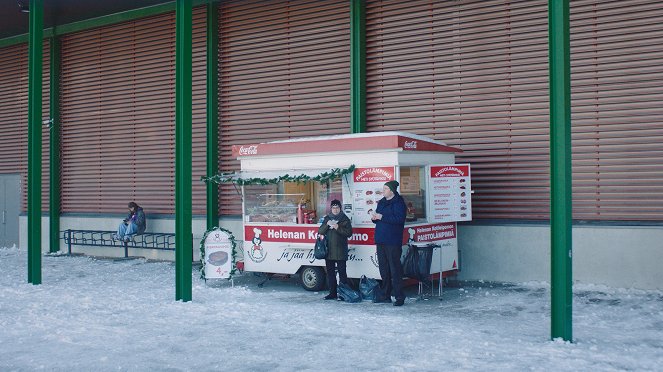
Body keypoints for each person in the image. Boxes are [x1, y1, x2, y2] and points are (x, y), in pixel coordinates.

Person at [371, 180, 407, 306]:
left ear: (392, 190)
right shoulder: (381, 202)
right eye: (383, 188)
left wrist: (382, 217)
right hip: (380, 239)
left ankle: (399, 296)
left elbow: (399, 219)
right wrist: (374, 218)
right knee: (384, 269)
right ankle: (385, 294)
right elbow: (378, 218)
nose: (383, 190)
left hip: (392, 240)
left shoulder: (399, 203)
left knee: (395, 269)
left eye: (385, 188)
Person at [318, 199, 353, 300]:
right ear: (331, 208)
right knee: (330, 273)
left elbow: (349, 233)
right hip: (329, 250)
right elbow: (320, 231)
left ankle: (343, 294)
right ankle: (332, 293)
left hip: (341, 250)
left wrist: (338, 227)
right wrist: (327, 225)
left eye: (337, 207)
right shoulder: (327, 218)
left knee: (342, 273)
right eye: (333, 208)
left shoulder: (345, 219)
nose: (335, 210)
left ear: (340, 208)